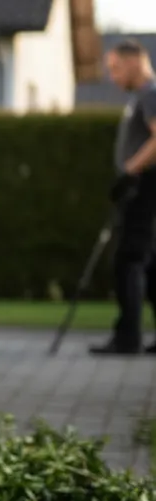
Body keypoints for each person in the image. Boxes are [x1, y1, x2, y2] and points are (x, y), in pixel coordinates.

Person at [94, 38, 156, 356]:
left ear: (134, 62)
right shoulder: (142, 97)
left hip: (143, 186)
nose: (113, 77)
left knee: (128, 259)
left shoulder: (150, 94)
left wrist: (130, 171)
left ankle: (128, 337)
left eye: (116, 68)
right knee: (149, 262)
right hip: (141, 185)